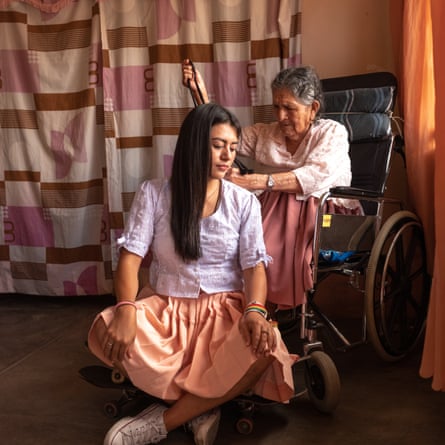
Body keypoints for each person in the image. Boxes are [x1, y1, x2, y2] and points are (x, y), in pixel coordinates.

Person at [87, 103, 296, 445]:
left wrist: (255, 310)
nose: (227, 155)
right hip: (165, 311)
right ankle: (204, 405)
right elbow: (130, 260)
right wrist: (126, 308)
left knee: (266, 347)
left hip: (224, 312)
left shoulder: (244, 203)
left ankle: (161, 422)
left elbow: (254, 267)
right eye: (217, 145)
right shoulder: (154, 194)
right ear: (194, 143)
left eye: (232, 146)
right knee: (104, 330)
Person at [182, 60, 360, 312]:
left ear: (313, 108)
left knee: (274, 219)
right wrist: (199, 92)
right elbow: (221, 134)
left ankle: (259, 305)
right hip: (270, 210)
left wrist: (258, 181)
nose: (280, 116)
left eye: (289, 108)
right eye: (276, 106)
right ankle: (238, 306)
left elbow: (315, 177)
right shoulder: (266, 133)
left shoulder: (332, 133)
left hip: (324, 215)